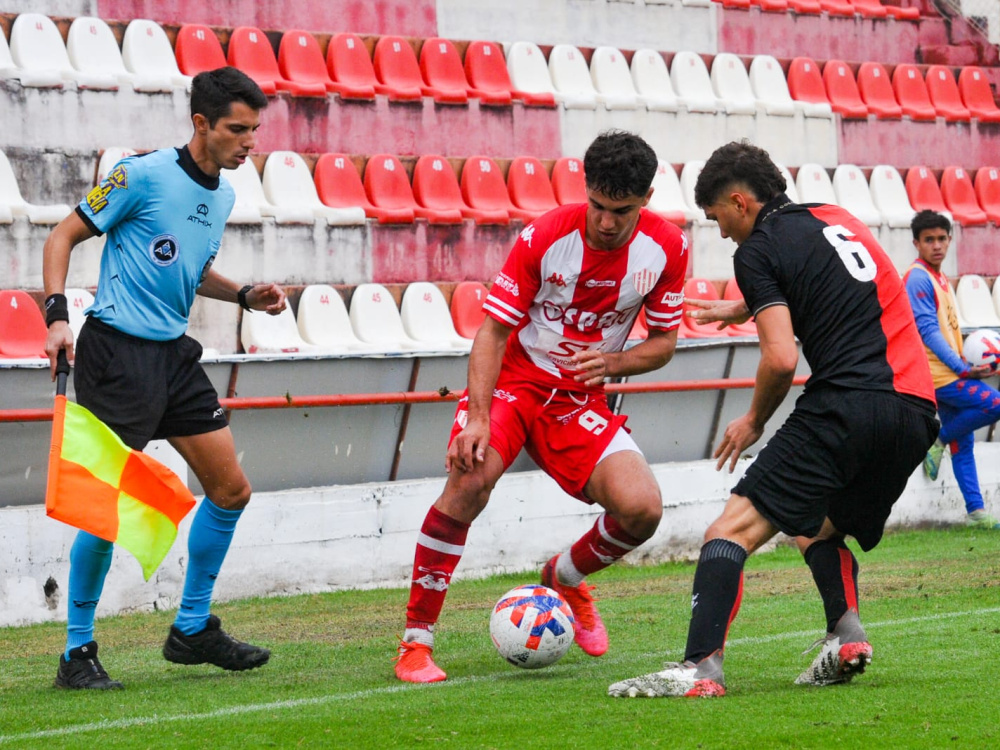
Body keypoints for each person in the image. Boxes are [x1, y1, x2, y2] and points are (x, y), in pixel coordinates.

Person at [607, 141, 938, 699]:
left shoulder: (757, 250)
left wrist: (754, 421)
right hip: (914, 413)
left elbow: (782, 359)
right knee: (814, 526)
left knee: (728, 531)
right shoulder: (835, 217)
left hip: (847, 404)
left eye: (718, 218)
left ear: (741, 202)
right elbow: (842, 282)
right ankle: (846, 638)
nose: (722, 233)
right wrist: (746, 304)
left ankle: (700, 669)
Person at [393, 130, 689, 683]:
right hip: (516, 382)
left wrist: (612, 362)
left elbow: (664, 344)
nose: (606, 222)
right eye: (597, 206)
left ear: (646, 199)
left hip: (578, 397)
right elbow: (492, 331)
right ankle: (416, 643)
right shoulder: (546, 237)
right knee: (468, 479)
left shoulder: (668, 247)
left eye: (621, 211)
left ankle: (565, 577)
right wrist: (477, 417)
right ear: (585, 189)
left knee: (642, 510)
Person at [43, 67, 285, 690]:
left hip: (174, 355)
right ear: (201, 124)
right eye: (238, 129)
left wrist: (245, 296)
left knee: (230, 490)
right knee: (104, 508)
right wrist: (57, 317)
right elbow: (63, 236)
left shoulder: (222, 196)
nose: (250, 142)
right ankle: (76, 653)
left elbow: (192, 272)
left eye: (254, 130)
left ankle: (192, 629)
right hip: (115, 354)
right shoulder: (141, 175)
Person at [904, 210, 1000, 529]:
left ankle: (976, 512)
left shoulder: (939, 277)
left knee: (965, 442)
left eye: (942, 239)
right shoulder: (918, 277)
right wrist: (962, 367)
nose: (936, 245)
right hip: (936, 375)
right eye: (928, 240)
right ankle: (939, 440)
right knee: (995, 404)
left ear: (949, 240)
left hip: (946, 372)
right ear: (916, 243)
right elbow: (928, 331)